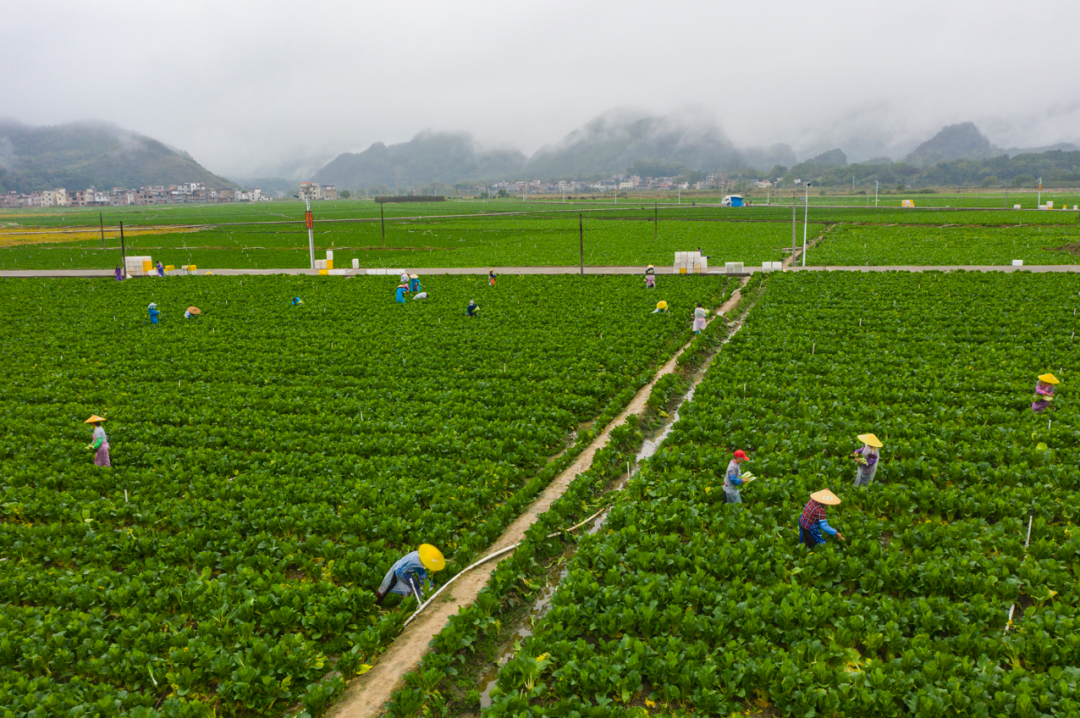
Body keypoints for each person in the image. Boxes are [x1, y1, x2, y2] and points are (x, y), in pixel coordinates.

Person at [375, 544, 445, 605]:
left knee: (390, 584)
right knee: (415, 586)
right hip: (402, 572)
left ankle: (377, 601)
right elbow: (423, 581)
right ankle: (418, 601)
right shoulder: (419, 564)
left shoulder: (418, 553)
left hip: (399, 565)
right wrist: (431, 584)